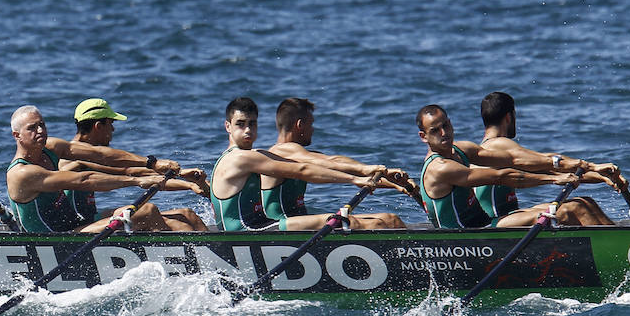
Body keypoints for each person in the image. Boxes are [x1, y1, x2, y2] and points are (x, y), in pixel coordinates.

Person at [415, 104, 604, 228]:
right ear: (423, 137)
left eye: (446, 125)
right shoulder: (440, 168)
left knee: (583, 203)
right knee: (570, 211)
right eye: (435, 130)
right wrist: (554, 179)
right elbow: (502, 176)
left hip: (486, 224)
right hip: (467, 238)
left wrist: (579, 165)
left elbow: (512, 159)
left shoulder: (462, 149)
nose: (444, 132)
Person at [6, 105, 190, 233]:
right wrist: (137, 181)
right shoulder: (22, 173)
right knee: (147, 211)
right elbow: (83, 180)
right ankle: (177, 263)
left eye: (42, 125)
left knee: (185, 213)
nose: (40, 131)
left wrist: (151, 163)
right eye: (32, 128)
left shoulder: (51, 147)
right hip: (57, 238)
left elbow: (99, 155)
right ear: (17, 135)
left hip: (77, 223)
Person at [212, 97, 379, 232]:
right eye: (240, 124)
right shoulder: (239, 158)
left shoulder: (255, 155)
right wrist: (353, 180)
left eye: (252, 124)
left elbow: (313, 166)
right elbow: (302, 170)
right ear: (228, 126)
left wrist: (372, 177)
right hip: (246, 232)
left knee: (374, 220)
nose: (247, 130)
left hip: (261, 226)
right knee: (338, 221)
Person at [56, 98, 209, 231]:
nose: (113, 129)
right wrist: (182, 178)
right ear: (98, 126)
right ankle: (173, 258)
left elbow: (138, 173)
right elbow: (130, 172)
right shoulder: (72, 159)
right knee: (150, 211)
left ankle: (218, 254)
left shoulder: (90, 156)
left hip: (91, 217)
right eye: (111, 123)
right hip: (75, 228)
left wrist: (188, 183)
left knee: (187, 215)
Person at [472, 92, 620, 224]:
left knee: (584, 202)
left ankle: (619, 242)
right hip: (494, 221)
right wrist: (594, 166)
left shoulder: (495, 151)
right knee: (573, 209)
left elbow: (552, 172)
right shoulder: (497, 144)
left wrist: (601, 177)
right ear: (509, 117)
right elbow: (547, 159)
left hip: (509, 215)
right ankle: (614, 248)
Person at [263, 99, 407, 229]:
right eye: (311, 124)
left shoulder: (301, 155)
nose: (313, 129)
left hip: (301, 221)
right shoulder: (280, 151)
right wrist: (365, 169)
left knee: (391, 220)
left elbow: (337, 162)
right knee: (375, 224)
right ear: (300, 125)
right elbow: (330, 162)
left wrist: (394, 183)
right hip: (279, 225)